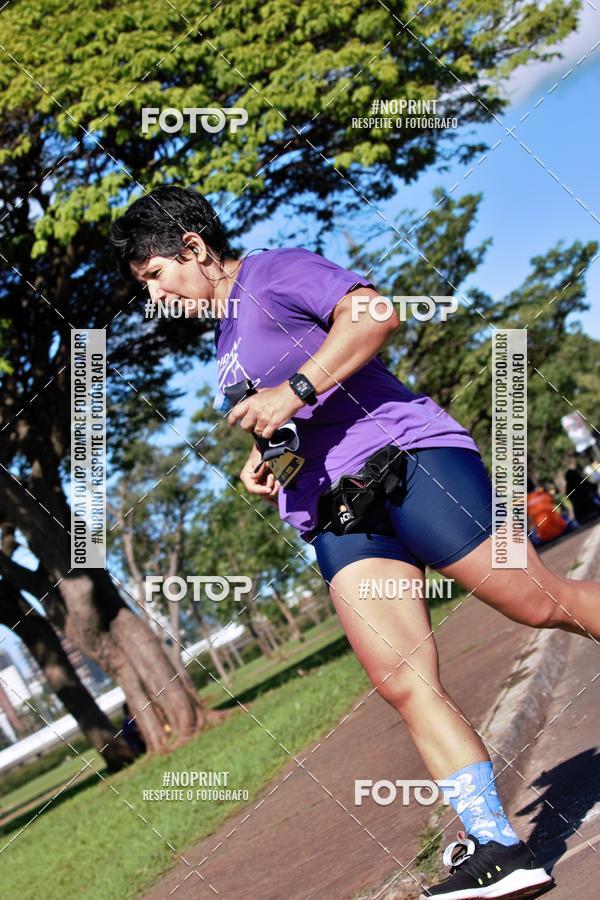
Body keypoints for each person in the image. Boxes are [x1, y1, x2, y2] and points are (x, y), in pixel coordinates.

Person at [109, 186, 600, 900]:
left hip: (406, 460)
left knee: (535, 600)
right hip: (332, 509)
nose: (156, 296)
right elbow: (285, 420)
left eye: (155, 276)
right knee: (401, 678)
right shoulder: (222, 344)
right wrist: (264, 460)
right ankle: (495, 844)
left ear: (193, 247)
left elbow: (374, 313)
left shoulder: (274, 273)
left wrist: (295, 390)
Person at [526, 477, 568, 545]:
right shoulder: (544, 495)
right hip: (560, 528)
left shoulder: (526, 502)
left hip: (544, 536)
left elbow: (529, 522)